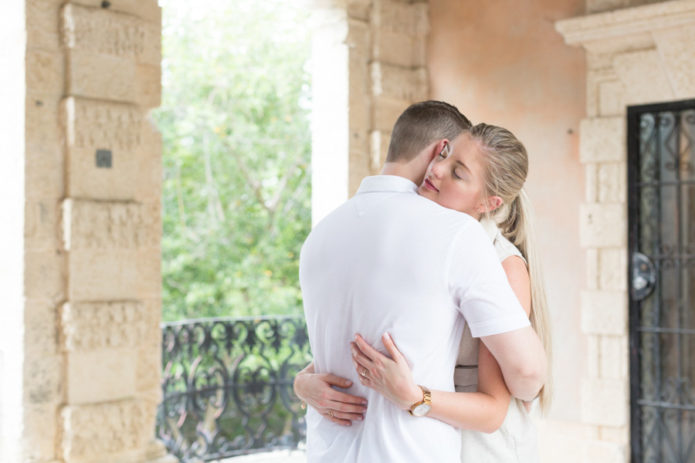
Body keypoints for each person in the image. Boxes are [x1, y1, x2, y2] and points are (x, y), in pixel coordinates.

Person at [298, 101, 546, 463]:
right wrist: (304, 379)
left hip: (475, 445)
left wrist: (415, 396)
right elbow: (366, 335)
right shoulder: (447, 235)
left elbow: (523, 381)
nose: (438, 170)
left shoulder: (320, 235)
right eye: (444, 156)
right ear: (436, 148)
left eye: (457, 171)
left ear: (489, 202)